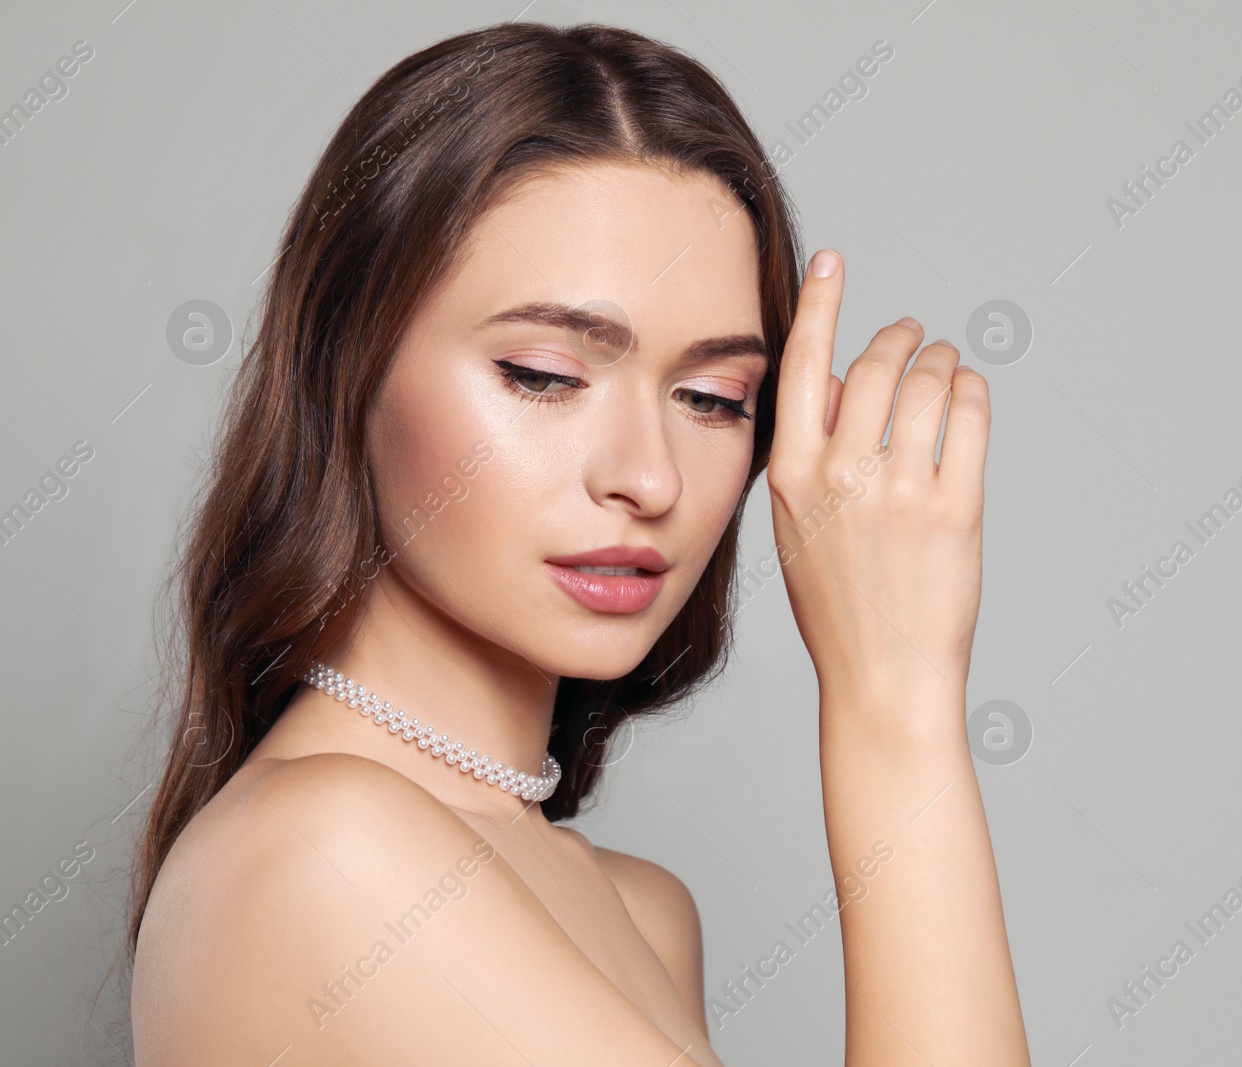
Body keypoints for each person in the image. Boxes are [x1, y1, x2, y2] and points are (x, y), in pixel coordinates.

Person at [126, 21, 1028, 1065]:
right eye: (545, 377)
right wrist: (894, 703)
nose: (647, 477)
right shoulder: (324, 855)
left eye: (712, 396)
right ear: (347, 367)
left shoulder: (641, 912)